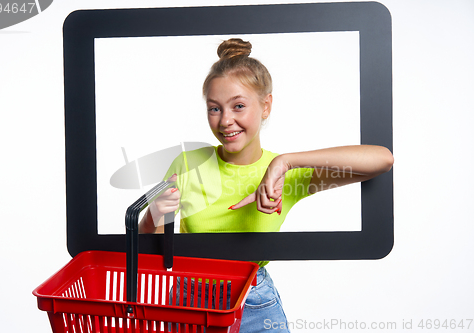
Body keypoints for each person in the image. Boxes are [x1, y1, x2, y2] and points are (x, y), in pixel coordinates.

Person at [139, 38, 394, 332]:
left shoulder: (285, 177)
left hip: (253, 302)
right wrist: (155, 213)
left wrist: (284, 162)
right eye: (214, 109)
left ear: (266, 106)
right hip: (190, 299)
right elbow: (150, 252)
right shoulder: (188, 164)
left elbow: (381, 159)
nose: (225, 121)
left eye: (238, 106)